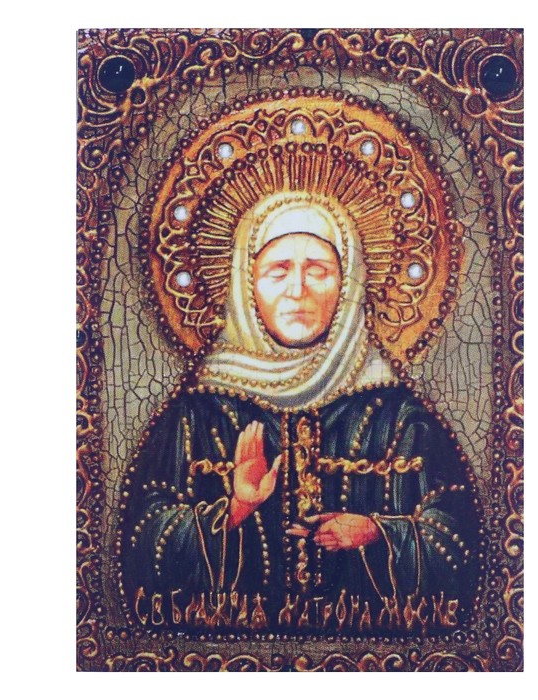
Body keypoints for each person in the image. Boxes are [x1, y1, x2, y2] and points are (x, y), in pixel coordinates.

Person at [119, 194, 479, 634]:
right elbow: (143, 546)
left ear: (347, 285)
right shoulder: (197, 413)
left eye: (318, 270)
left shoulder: (400, 416)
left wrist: (378, 533)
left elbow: (457, 545)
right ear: (246, 284)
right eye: (278, 271)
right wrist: (235, 509)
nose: (297, 290)